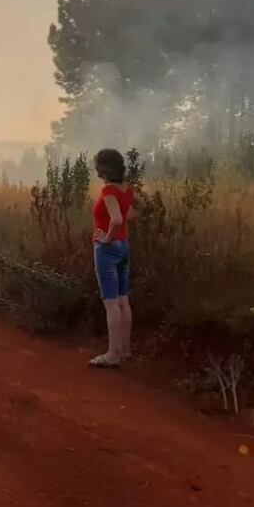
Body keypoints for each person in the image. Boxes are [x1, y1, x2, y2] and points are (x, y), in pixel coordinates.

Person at [89, 148, 139, 368]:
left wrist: (107, 238)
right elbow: (135, 210)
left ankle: (112, 354)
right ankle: (125, 350)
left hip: (108, 250)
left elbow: (117, 219)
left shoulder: (109, 190)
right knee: (123, 301)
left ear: (104, 168)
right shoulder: (126, 188)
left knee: (111, 304)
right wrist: (123, 226)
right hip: (124, 247)